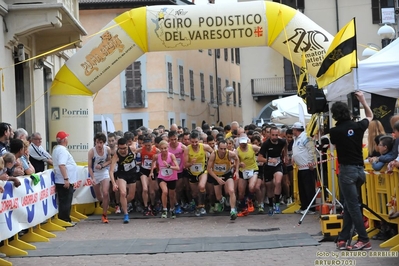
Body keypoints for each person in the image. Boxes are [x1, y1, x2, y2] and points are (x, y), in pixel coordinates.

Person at [330, 91, 373, 251]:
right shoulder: (358, 126)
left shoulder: (334, 132)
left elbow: (333, 147)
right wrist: (362, 100)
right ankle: (343, 237)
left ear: (334, 115)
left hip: (347, 170)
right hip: (360, 170)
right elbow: (370, 116)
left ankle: (364, 239)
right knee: (349, 204)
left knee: (353, 206)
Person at [109, 137, 140, 224]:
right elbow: (111, 171)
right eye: (121, 148)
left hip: (132, 174)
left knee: (131, 196)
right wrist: (114, 183)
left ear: (127, 145)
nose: (123, 150)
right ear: (118, 147)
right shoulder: (116, 155)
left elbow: (139, 147)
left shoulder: (132, 148)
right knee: (123, 193)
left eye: (124, 148)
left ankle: (123, 205)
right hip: (122, 174)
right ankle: (126, 214)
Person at [257, 127, 287, 215]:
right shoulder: (266, 144)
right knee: (269, 187)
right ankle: (271, 205)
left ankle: (277, 203)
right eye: (273, 135)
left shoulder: (282, 141)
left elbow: (285, 145)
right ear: (269, 135)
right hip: (268, 167)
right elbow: (259, 158)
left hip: (277, 165)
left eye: (276, 135)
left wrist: (285, 156)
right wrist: (268, 160)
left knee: (278, 181)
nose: (274, 137)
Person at [207, 140, 240, 220]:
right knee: (218, 197)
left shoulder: (230, 154)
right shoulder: (214, 154)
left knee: (231, 190)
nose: (223, 151)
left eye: (225, 149)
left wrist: (237, 171)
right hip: (216, 175)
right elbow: (209, 169)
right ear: (218, 148)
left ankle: (233, 211)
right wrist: (217, 178)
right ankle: (223, 200)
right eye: (221, 149)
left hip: (227, 174)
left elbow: (237, 159)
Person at [52, 131, 77, 224]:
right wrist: (66, 179)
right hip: (64, 180)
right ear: (64, 140)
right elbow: (61, 165)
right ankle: (65, 220)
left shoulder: (57, 149)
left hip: (61, 179)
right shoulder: (62, 150)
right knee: (66, 201)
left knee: (65, 200)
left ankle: (65, 218)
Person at [291, 122, 316, 215]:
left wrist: (310, 162)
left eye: (293, 129)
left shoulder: (305, 137)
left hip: (306, 167)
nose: (292, 131)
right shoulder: (296, 139)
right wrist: (293, 157)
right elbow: (297, 150)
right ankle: (304, 206)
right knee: (302, 189)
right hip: (300, 168)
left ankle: (311, 208)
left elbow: (311, 149)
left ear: (296, 129)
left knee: (308, 188)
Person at [150, 140, 179, 218]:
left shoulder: (171, 156)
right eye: (162, 148)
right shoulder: (157, 156)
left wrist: (169, 166)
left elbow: (177, 167)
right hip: (162, 177)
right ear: (159, 149)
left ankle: (172, 209)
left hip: (172, 177)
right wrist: (152, 171)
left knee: (172, 195)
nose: (163, 150)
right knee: (165, 191)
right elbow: (153, 162)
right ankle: (165, 209)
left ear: (168, 148)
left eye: (165, 148)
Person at [88, 132, 112, 223]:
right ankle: (105, 202)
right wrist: (93, 177)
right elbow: (89, 167)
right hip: (95, 174)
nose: (99, 145)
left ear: (104, 143)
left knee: (105, 193)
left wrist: (102, 165)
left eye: (101, 142)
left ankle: (104, 215)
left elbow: (110, 160)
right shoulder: (91, 152)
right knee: (99, 197)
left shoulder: (107, 149)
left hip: (104, 172)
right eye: (97, 142)